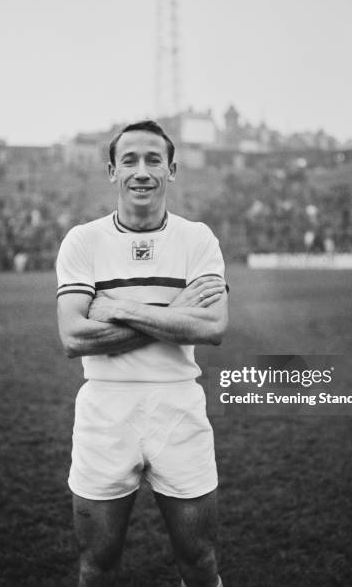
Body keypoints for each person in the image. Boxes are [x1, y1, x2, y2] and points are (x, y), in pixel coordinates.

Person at [56, 120, 228, 587]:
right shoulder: (83, 241)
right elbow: (74, 337)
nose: (142, 170)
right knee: (98, 563)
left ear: (172, 170)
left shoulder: (197, 239)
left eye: (154, 160)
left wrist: (119, 308)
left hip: (179, 406)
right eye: (129, 160)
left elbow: (213, 326)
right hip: (105, 409)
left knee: (199, 558)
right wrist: (175, 313)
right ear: (112, 171)